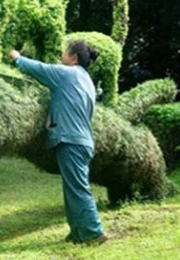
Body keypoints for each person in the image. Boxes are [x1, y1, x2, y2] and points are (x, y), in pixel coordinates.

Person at [9, 40, 107, 246]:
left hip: (72, 140)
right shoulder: (86, 79)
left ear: (73, 57)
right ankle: (78, 233)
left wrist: (16, 57)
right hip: (81, 140)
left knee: (78, 188)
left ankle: (94, 232)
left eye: (65, 52)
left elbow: (37, 69)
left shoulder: (67, 73)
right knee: (72, 188)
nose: (62, 56)